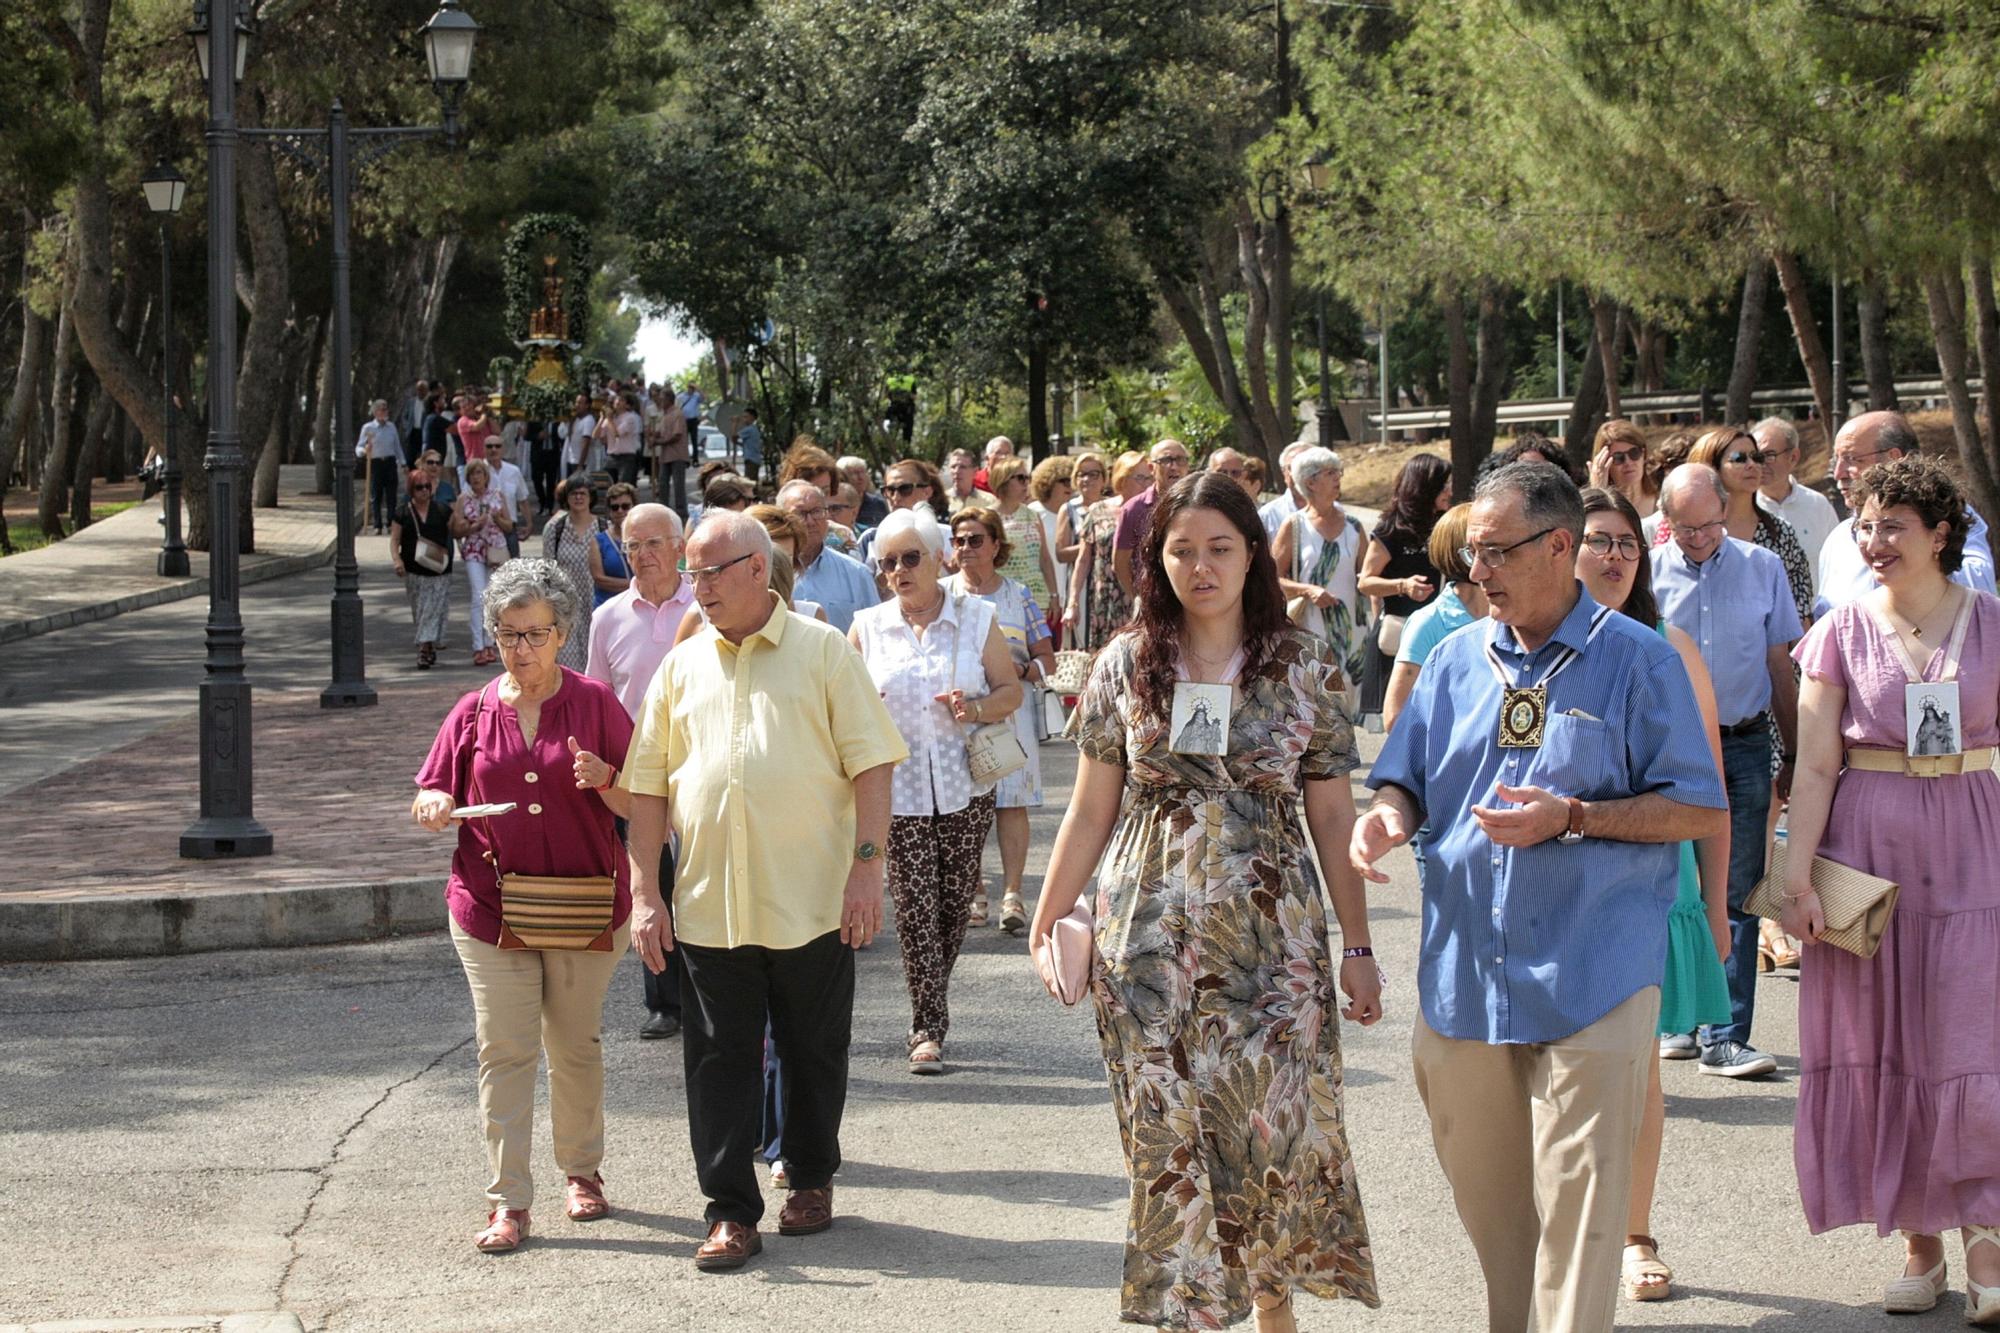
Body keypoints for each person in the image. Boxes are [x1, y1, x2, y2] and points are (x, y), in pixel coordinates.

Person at [1353, 461, 1728, 1332]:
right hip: (1465, 973)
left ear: (1560, 547)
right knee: (1495, 1209)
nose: (1475, 570)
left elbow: (1700, 803)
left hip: (1595, 969)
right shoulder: (1452, 658)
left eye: (1494, 552)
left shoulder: (1640, 659)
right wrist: (1384, 819)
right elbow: (1401, 780)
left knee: (1583, 1208)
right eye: (1470, 552)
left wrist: (1578, 817)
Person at [1034, 472, 1384, 1332]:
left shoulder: (1306, 665)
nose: (1200, 565)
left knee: (1268, 1128)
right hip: (1147, 941)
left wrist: (1360, 947)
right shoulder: (1125, 663)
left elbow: (1334, 812)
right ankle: (1190, 1315)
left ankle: (1272, 1307)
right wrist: (1047, 915)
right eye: (1181, 549)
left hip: (1275, 946)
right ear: (1157, 560)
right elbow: (1089, 807)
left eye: (1219, 547)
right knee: (1166, 1140)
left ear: (1253, 555)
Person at [621, 509, 907, 1273]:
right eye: (692, 572)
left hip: (812, 898)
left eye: (710, 571)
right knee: (717, 1060)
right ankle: (728, 1211)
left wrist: (866, 867)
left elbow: (872, 763)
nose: (698, 587)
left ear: (757, 567)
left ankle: (810, 1177)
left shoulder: (822, 652)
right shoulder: (681, 666)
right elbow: (647, 785)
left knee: (815, 1050)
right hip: (712, 903)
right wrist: (644, 889)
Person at [1780, 455, 2000, 1321]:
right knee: (1888, 1040)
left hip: (1975, 840)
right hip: (1867, 846)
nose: (1873, 542)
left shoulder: (1992, 624)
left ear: (1940, 533)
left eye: (1892, 525)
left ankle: (1984, 1232)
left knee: (1969, 1038)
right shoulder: (1836, 630)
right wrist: (1796, 879)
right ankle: (1918, 1239)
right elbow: (1816, 762)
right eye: (1864, 525)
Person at [411, 558, 636, 1254]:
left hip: (583, 904)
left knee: (574, 1045)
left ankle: (581, 1171)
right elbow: (429, 792)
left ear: (563, 631)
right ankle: (509, 1201)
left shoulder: (596, 703)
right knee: (503, 1048)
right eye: (509, 634)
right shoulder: (473, 710)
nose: (522, 649)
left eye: (535, 634)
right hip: (490, 910)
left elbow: (647, 803)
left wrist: (604, 779)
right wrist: (434, 803)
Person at [1575, 486, 1732, 1304]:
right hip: (1554, 894)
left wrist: (1713, 906)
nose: (1613, 555)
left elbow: (1709, 792)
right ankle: (1566, 1238)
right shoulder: (1521, 646)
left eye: (1626, 543)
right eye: (1597, 539)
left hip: (1652, 890)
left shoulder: (1671, 645)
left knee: (1639, 1076)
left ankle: (1636, 1235)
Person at [850, 508, 1022, 1073]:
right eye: (888, 563)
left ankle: (931, 1002)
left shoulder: (976, 618)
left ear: (937, 557)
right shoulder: (868, 626)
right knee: (917, 908)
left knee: (951, 909)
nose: (899, 570)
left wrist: (972, 708)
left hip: (965, 786)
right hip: (894, 794)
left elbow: (1010, 693)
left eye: (910, 558)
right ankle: (927, 1025)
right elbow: (846, 711)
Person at [1651, 463, 1803, 1079]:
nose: (1699, 538)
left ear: (1725, 512)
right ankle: (1680, 1022)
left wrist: (1792, 752)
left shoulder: (1762, 568)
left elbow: (1780, 668)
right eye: (1684, 529)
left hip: (1741, 743)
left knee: (1737, 888)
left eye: (1709, 525)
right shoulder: (1648, 575)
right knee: (1675, 887)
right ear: (1666, 522)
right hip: (1670, 749)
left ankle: (1727, 1033)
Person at [585, 503, 694, 1043]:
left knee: (700, 880)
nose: (643, 555)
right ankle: (664, 1001)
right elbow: (597, 698)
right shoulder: (608, 617)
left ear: (680, 546)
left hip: (699, 762)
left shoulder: (704, 605)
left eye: (653, 543)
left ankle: (705, 990)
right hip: (635, 774)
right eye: (632, 546)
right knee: (648, 883)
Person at [948, 505, 1056, 934]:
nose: (966, 548)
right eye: (959, 540)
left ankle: (1013, 895)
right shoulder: (942, 594)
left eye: (976, 539)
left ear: (996, 545)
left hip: (1011, 715)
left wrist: (1021, 672)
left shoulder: (1018, 595)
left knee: (1011, 803)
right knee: (964, 806)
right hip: (958, 716)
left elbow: (1046, 658)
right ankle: (974, 890)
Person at [1816, 410, 1997, 615]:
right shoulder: (1837, 541)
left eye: (1851, 459)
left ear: (1894, 458)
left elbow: (1978, 595)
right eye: (1836, 461)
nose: (1838, 473)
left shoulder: (1950, 518)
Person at [1271, 446, 1372, 690]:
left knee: (1349, 700)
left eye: (1339, 471)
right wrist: (1307, 590)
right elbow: (1271, 578)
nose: (1338, 477)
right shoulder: (1294, 526)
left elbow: (1369, 575)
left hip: (1353, 634)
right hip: (1310, 632)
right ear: (1310, 482)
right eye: (1330, 473)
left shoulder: (1353, 526)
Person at [1357, 453, 1449, 717]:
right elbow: (1365, 581)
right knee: (1401, 719)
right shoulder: (1392, 530)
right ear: (1424, 487)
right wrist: (1403, 585)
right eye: (1443, 486)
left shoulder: (1446, 524)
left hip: (1439, 631)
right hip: (1401, 634)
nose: (1449, 491)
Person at [1382, 503, 1484, 734]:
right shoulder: (1429, 622)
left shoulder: (1510, 617)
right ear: (1464, 551)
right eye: (1487, 545)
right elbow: (1395, 716)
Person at [1068, 451, 1150, 651]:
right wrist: (1072, 603)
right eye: (1140, 478)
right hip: (1104, 602)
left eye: (1149, 478)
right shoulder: (1098, 511)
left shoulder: (1151, 511)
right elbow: (1083, 560)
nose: (1147, 484)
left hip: (1139, 598)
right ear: (1122, 478)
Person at [778, 479, 882, 633]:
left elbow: (876, 633)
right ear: (781, 518)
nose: (810, 521)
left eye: (816, 511)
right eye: (800, 513)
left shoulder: (857, 574)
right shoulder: (770, 572)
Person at [1752, 416, 1840, 580]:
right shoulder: (1743, 509)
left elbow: (1838, 563)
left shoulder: (1817, 505)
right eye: (1756, 457)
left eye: (1769, 455)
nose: (1761, 464)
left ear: (1793, 457)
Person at [542, 474, 609, 672]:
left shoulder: (603, 527)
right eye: (573, 494)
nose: (578, 498)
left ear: (591, 497)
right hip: (565, 604)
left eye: (583, 493)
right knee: (566, 659)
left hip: (596, 602)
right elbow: (547, 569)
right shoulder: (555, 528)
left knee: (597, 658)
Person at [452, 460, 514, 668]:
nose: (476, 477)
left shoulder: (497, 496)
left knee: (492, 597)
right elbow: (456, 529)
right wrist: (472, 527)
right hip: (474, 551)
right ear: (468, 478)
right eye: (473, 474)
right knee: (478, 595)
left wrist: (496, 518)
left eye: (480, 473)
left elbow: (509, 526)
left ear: (486, 477)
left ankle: (490, 643)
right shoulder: (463, 499)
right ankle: (478, 645)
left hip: (495, 550)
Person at [390, 467, 453, 670]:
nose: (424, 491)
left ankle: (424, 650)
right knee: (420, 611)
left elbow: (458, 530)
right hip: (413, 570)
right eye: (419, 487)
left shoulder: (443, 510)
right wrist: (397, 560)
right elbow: (394, 540)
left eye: (427, 486)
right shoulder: (402, 512)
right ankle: (429, 645)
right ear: (411, 490)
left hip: (439, 571)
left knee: (432, 609)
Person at [1112, 438, 1191, 599]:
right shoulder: (1134, 509)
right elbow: (1120, 563)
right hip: (1153, 601)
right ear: (1151, 468)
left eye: (1180, 460)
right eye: (1166, 460)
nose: (1174, 466)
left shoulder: (1199, 505)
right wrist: (1137, 598)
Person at [988, 457, 1061, 627]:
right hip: (1001, 596)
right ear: (1003, 480)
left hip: (1036, 598)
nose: (1026, 483)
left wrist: (1054, 596)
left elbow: (1044, 559)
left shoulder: (1033, 515)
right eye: (1020, 478)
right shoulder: (988, 517)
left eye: (1027, 478)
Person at [857, 458, 943, 568]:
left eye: (905, 489)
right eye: (890, 490)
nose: (895, 498)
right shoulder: (869, 539)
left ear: (927, 492)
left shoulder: (951, 538)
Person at [1027, 455, 1074, 640]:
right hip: (1042, 598)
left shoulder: (1075, 513)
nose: (1070, 486)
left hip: (1070, 597)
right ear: (1048, 482)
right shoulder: (1033, 513)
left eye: (1073, 480)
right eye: (1064, 481)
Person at [1589, 418, 1660, 532]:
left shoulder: (1663, 502)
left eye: (1634, 453)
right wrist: (1598, 492)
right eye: (1618, 457)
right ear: (1604, 463)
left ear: (1644, 455)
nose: (1628, 462)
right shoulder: (1603, 508)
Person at [474, 435, 534, 557]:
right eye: (489, 446)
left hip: (509, 527)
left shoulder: (514, 471)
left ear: (503, 449)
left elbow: (522, 500)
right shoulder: (476, 471)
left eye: (497, 446)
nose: (493, 449)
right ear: (483, 449)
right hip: (485, 529)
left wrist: (529, 524)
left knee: (512, 569)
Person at [357, 399, 404, 534]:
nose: (385, 412)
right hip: (375, 463)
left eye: (386, 409)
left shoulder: (391, 427)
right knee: (376, 495)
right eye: (382, 409)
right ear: (376, 412)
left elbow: (397, 446)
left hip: (389, 462)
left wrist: (403, 462)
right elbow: (359, 447)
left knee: (391, 495)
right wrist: (365, 450)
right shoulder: (368, 428)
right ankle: (377, 524)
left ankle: (390, 523)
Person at [1258, 439, 1311, 541]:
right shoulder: (1268, 515)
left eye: (1306, 467)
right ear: (1284, 472)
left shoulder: (1339, 515)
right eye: (1293, 467)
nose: (1299, 474)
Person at [651, 383, 692, 515]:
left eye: (662, 399)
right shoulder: (664, 415)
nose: (660, 402)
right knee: (662, 483)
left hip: (677, 455)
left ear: (669, 399)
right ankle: (664, 511)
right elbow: (659, 432)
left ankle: (681, 512)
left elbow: (676, 435)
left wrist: (658, 442)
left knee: (678, 485)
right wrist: (653, 436)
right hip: (665, 456)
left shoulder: (677, 414)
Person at [603, 392, 644, 487]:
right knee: (609, 486)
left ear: (627, 405)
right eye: (616, 400)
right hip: (612, 456)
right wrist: (603, 419)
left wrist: (609, 420)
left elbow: (617, 433)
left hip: (626, 458)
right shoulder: (612, 418)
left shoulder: (631, 418)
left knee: (623, 487)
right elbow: (600, 436)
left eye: (621, 400)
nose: (617, 401)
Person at [839, 455, 889, 529]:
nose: (860, 477)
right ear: (842, 477)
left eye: (863, 472)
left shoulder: (878, 503)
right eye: (855, 473)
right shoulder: (836, 505)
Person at [943, 448, 997, 513]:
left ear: (975, 471)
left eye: (962, 467)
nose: (956, 471)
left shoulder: (989, 501)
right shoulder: (942, 500)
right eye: (953, 467)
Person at [560, 394, 596, 477]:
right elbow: (564, 434)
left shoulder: (588, 420)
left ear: (587, 405)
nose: (577, 405)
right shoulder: (575, 419)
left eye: (580, 403)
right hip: (570, 459)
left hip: (579, 462)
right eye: (576, 402)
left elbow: (586, 443)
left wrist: (580, 465)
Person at [734, 409, 763, 484]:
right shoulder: (755, 429)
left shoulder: (749, 429)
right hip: (755, 459)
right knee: (753, 482)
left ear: (752, 417)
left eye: (746, 417)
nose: (744, 419)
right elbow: (748, 444)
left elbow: (734, 436)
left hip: (751, 459)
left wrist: (735, 423)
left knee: (749, 483)